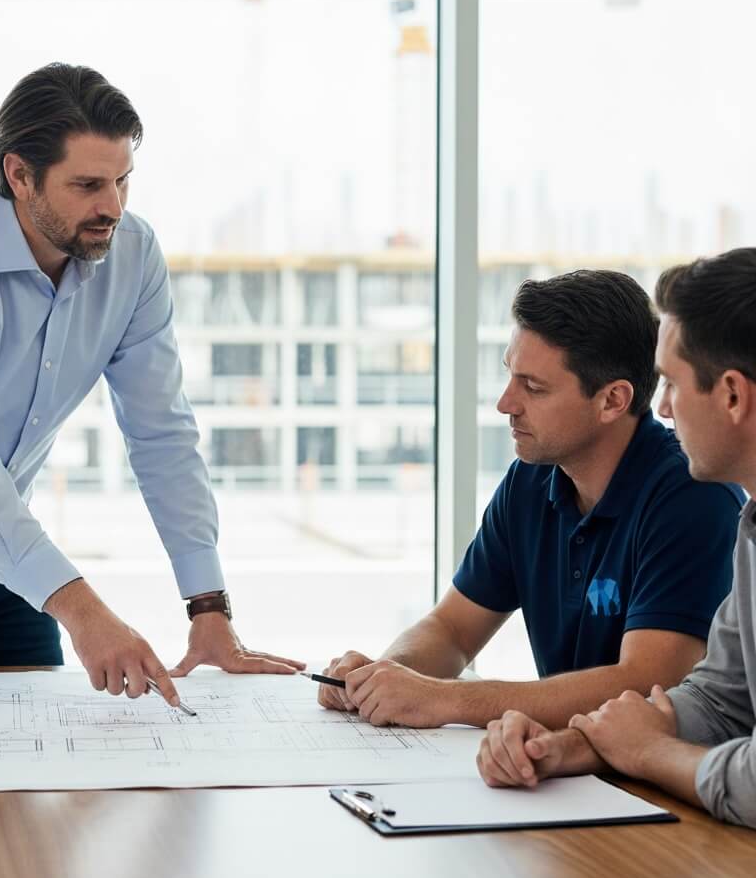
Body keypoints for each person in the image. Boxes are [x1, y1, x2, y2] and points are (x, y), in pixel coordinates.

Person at [0, 63, 303, 705]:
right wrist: (88, 613)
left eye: (123, 181)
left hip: (0, 542)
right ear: (18, 175)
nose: (112, 207)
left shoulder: (134, 256)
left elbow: (162, 435)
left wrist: (208, 606)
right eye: (88, 185)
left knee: (30, 748)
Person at [319, 270, 744, 728]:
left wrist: (447, 700)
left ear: (612, 401)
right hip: (567, 768)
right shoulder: (531, 479)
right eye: (509, 376)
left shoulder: (694, 493)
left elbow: (647, 682)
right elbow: (453, 629)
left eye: (533, 387)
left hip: (652, 780)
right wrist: (382, 677)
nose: (505, 403)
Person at [477, 248, 756, 829]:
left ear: (732, 395)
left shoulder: (694, 497)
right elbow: (719, 698)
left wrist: (650, 753)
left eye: (674, 384)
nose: (664, 408)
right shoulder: (753, 530)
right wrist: (574, 744)